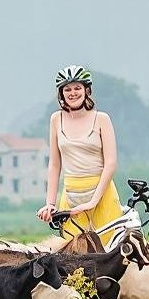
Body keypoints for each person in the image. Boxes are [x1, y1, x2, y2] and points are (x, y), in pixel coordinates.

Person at [35, 65, 121, 239]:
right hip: (71, 195)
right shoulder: (56, 119)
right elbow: (54, 164)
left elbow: (110, 164)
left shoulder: (101, 119)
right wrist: (50, 204)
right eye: (67, 89)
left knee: (108, 253)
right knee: (72, 257)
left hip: (101, 194)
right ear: (61, 94)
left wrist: (92, 202)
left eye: (77, 88)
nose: (72, 93)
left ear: (87, 90)